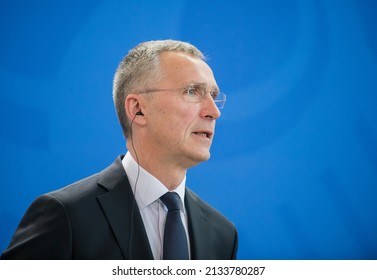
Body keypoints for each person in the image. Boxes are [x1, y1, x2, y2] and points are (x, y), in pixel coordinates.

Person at [1, 40, 238, 260]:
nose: (214, 111)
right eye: (191, 91)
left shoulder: (222, 234)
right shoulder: (66, 216)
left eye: (214, 96)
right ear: (138, 109)